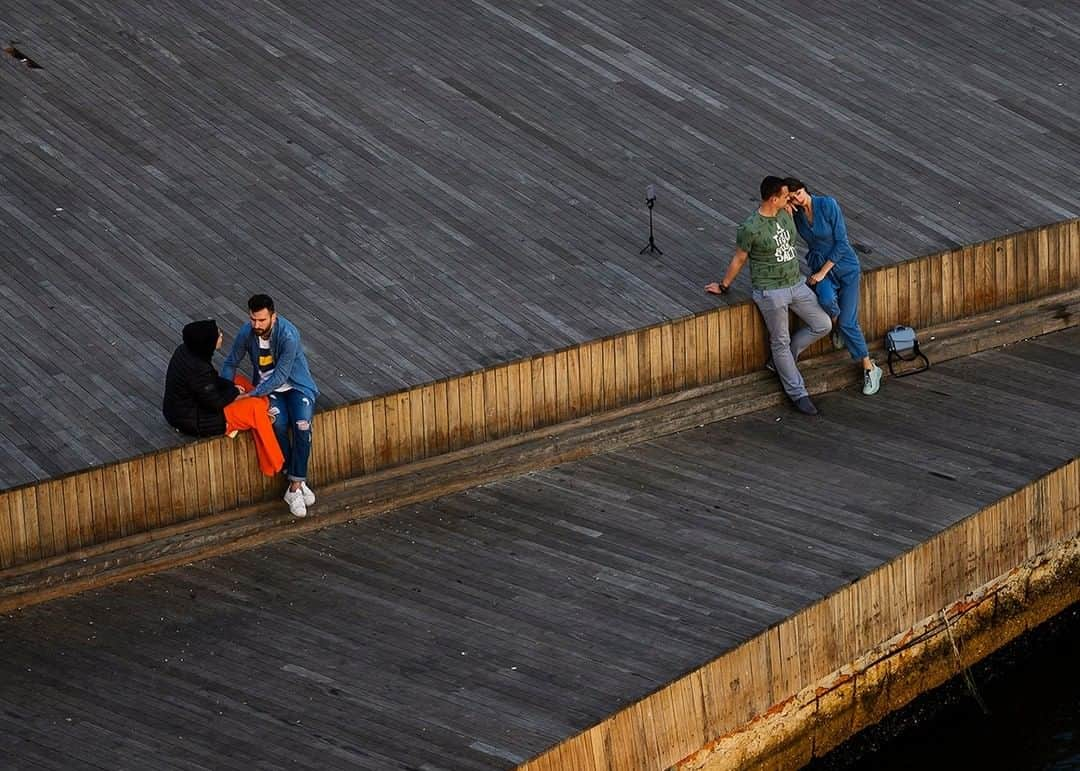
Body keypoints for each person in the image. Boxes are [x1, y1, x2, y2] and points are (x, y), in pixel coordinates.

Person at [705, 176, 831, 415]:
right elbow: (740, 258)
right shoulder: (751, 228)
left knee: (823, 324)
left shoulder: (785, 213)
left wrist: (793, 206)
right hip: (770, 291)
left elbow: (798, 211)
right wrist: (723, 285)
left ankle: (779, 363)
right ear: (773, 199)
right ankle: (798, 393)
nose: (790, 198)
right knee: (780, 341)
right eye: (785, 195)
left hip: (796, 283)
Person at [222, 295, 319, 517]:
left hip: (296, 386)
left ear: (273, 317)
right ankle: (297, 482)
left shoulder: (288, 334)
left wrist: (251, 395)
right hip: (269, 390)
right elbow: (230, 362)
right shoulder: (246, 332)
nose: (256, 325)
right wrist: (224, 391)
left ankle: (294, 486)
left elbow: (281, 375)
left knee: (302, 426)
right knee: (277, 424)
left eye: (262, 320)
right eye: (253, 319)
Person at [784, 178, 883, 396]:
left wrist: (821, 273)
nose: (797, 198)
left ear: (805, 190)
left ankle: (870, 367)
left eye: (798, 193)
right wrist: (786, 212)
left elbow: (842, 243)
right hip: (820, 265)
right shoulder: (798, 215)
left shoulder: (827, 204)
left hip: (843, 265)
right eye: (791, 197)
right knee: (826, 299)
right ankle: (840, 329)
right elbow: (789, 239)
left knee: (848, 322)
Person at [162, 320, 284, 477]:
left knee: (239, 380)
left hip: (186, 407)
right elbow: (215, 403)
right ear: (207, 343)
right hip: (199, 420)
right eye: (217, 335)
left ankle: (264, 408)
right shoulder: (198, 368)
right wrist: (234, 393)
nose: (221, 335)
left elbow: (209, 382)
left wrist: (233, 389)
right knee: (255, 408)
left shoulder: (187, 351)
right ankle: (275, 463)